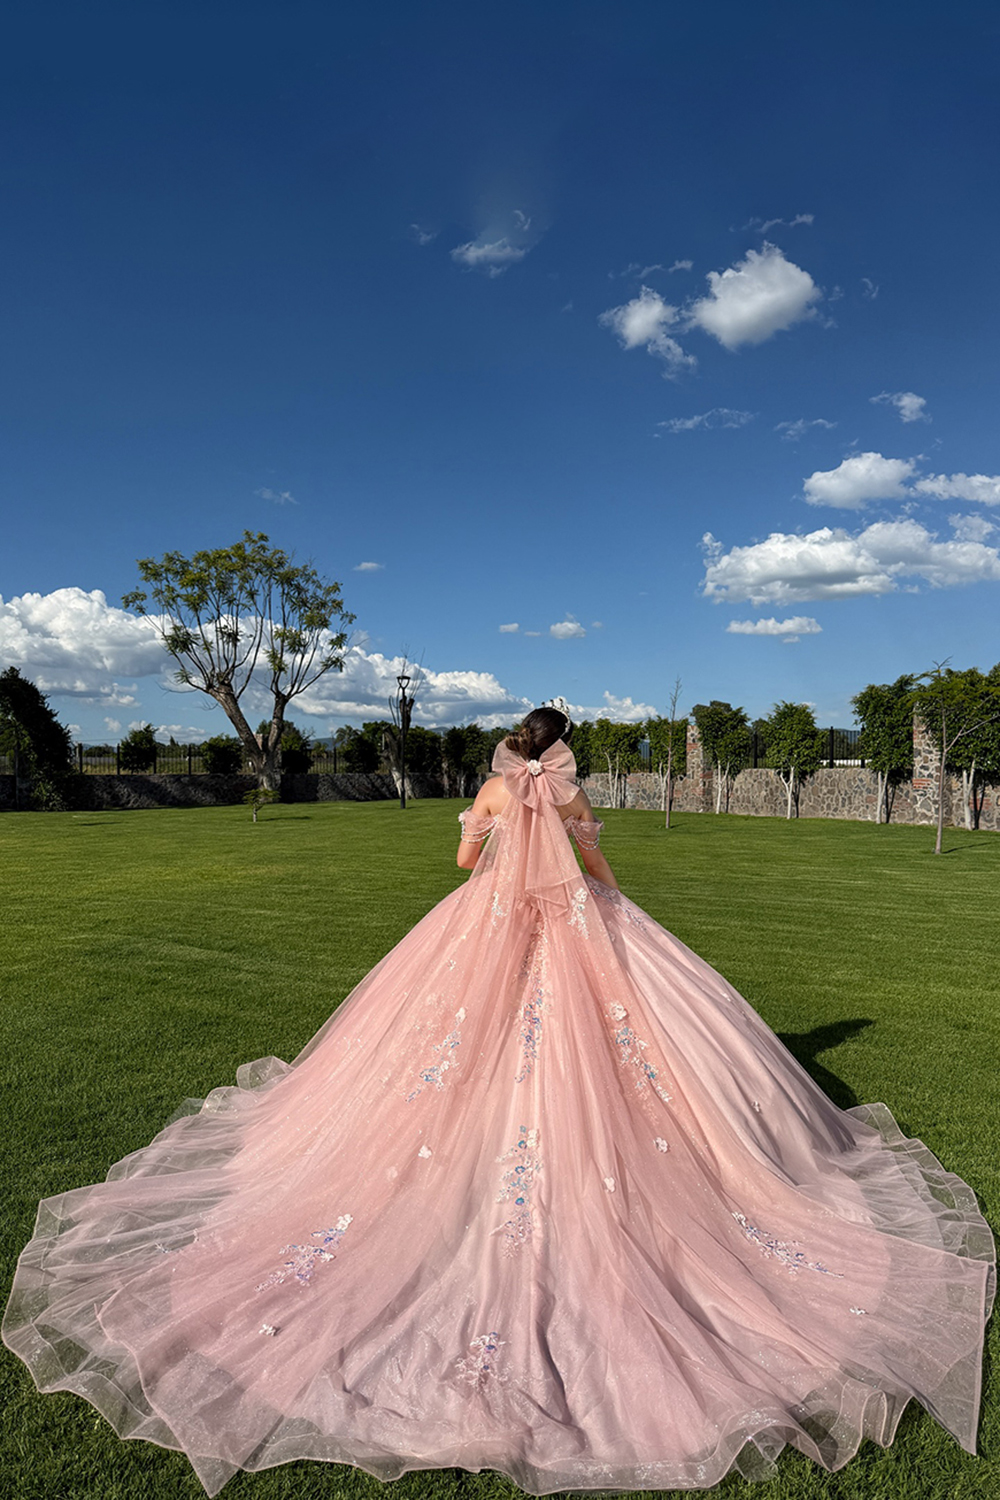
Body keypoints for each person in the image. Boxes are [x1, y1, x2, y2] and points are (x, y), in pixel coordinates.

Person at [3, 705, 994, 1497]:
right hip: (575, 933)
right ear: (559, 750)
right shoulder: (566, 794)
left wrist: (496, 843)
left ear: (510, 748)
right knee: (629, 1062)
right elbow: (591, 865)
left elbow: (466, 866)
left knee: (441, 1062)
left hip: (480, 935)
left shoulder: (490, 786)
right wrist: (605, 885)